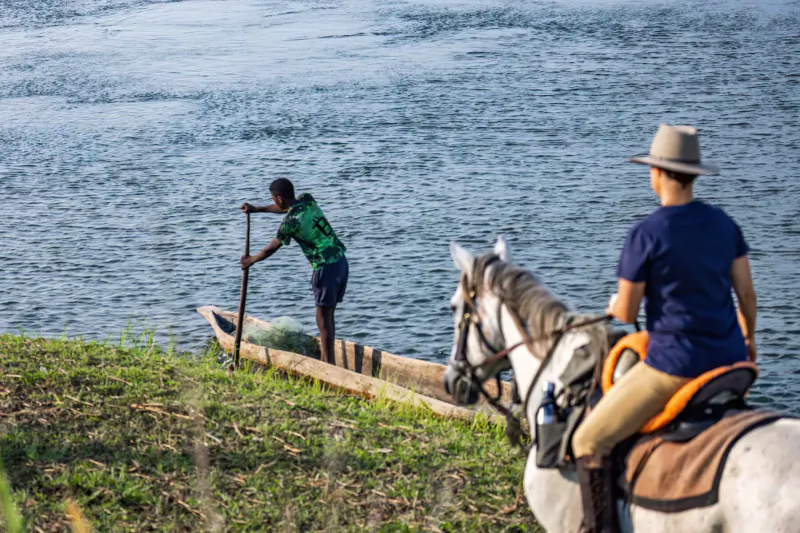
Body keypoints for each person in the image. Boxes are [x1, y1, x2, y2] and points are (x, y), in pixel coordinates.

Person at [571, 124, 757, 533]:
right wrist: (748, 341)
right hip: (729, 362)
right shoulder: (724, 224)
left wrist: (613, 305)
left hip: (674, 367)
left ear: (656, 173)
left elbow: (626, 311)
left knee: (587, 441)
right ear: (692, 175)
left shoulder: (647, 234)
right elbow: (746, 296)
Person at [240, 178, 348, 364]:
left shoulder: (289, 223)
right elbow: (285, 209)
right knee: (328, 317)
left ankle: (328, 365)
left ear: (280, 198)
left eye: (273, 199)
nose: (273, 202)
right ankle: (326, 359)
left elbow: (270, 249)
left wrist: (251, 261)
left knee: (323, 320)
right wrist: (256, 209)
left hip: (324, 268)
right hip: (341, 262)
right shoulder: (307, 200)